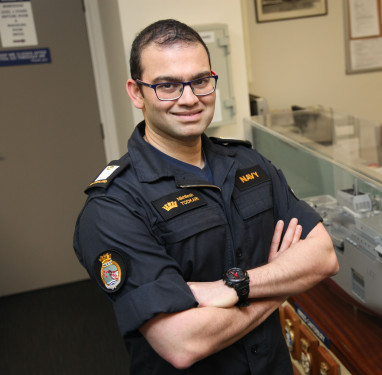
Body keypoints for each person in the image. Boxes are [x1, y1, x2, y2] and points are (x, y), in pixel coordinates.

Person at [73, 19, 339, 374]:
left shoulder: (249, 163)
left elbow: (322, 257)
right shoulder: (113, 206)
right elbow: (182, 342)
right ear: (136, 93)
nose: (189, 99)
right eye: (167, 85)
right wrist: (280, 285)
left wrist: (234, 287)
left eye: (200, 81)